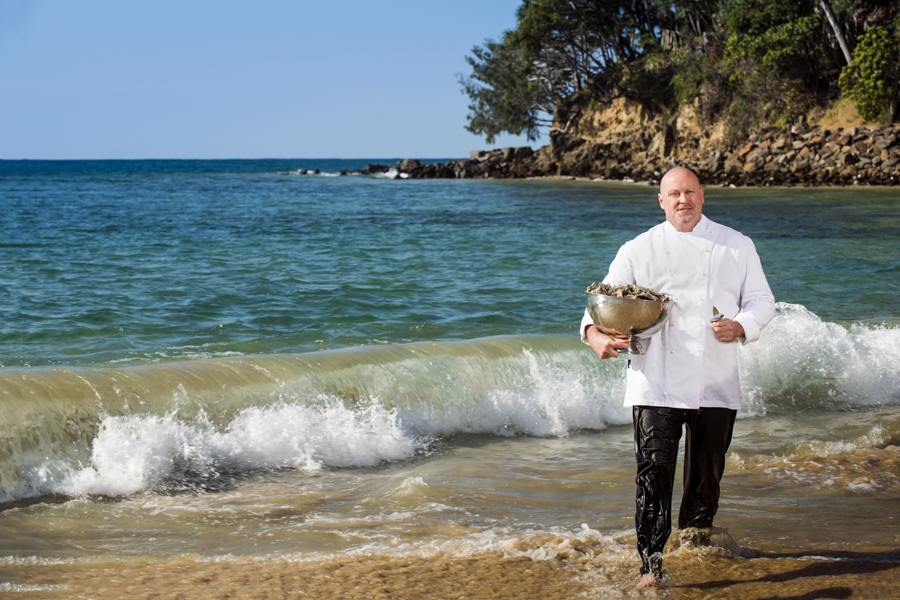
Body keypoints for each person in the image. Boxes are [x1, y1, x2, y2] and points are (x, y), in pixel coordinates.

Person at [580, 167, 775, 588]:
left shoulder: (735, 245)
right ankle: (650, 564)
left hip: (715, 377)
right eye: (674, 193)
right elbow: (605, 300)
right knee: (653, 471)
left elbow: (761, 299)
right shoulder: (638, 248)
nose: (682, 200)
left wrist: (741, 325)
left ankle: (697, 540)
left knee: (707, 475)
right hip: (656, 376)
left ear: (702, 196)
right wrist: (593, 332)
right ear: (661, 200)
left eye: (690, 192)